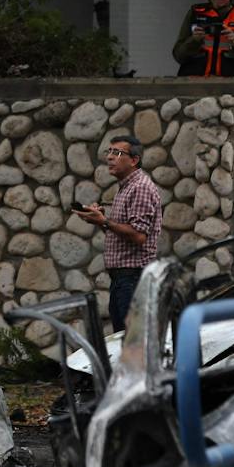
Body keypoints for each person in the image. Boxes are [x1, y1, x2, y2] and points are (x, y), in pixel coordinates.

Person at [76, 134, 161, 332]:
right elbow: (122, 236)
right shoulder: (126, 188)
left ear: (134, 160)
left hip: (133, 280)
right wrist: (100, 220)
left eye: (117, 152)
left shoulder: (139, 187)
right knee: (123, 341)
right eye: (109, 152)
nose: (110, 157)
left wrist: (105, 221)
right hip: (123, 280)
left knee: (130, 345)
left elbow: (139, 236)